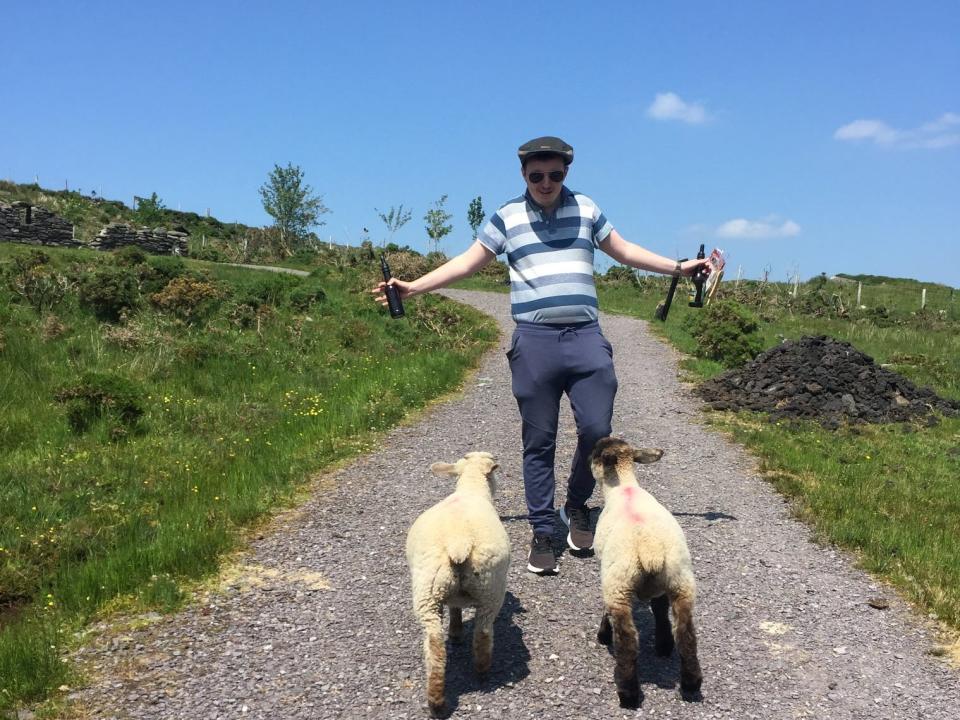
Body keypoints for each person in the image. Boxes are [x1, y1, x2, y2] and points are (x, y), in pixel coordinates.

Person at [372, 136, 710, 575]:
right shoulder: (507, 216)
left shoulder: (586, 208)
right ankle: (543, 529)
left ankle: (576, 505)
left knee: (597, 429)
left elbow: (624, 251)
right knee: (539, 440)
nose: (546, 183)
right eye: (537, 176)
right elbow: (467, 262)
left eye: (555, 175)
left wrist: (679, 268)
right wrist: (413, 287)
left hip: (586, 336)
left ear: (566, 173)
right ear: (523, 175)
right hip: (534, 339)